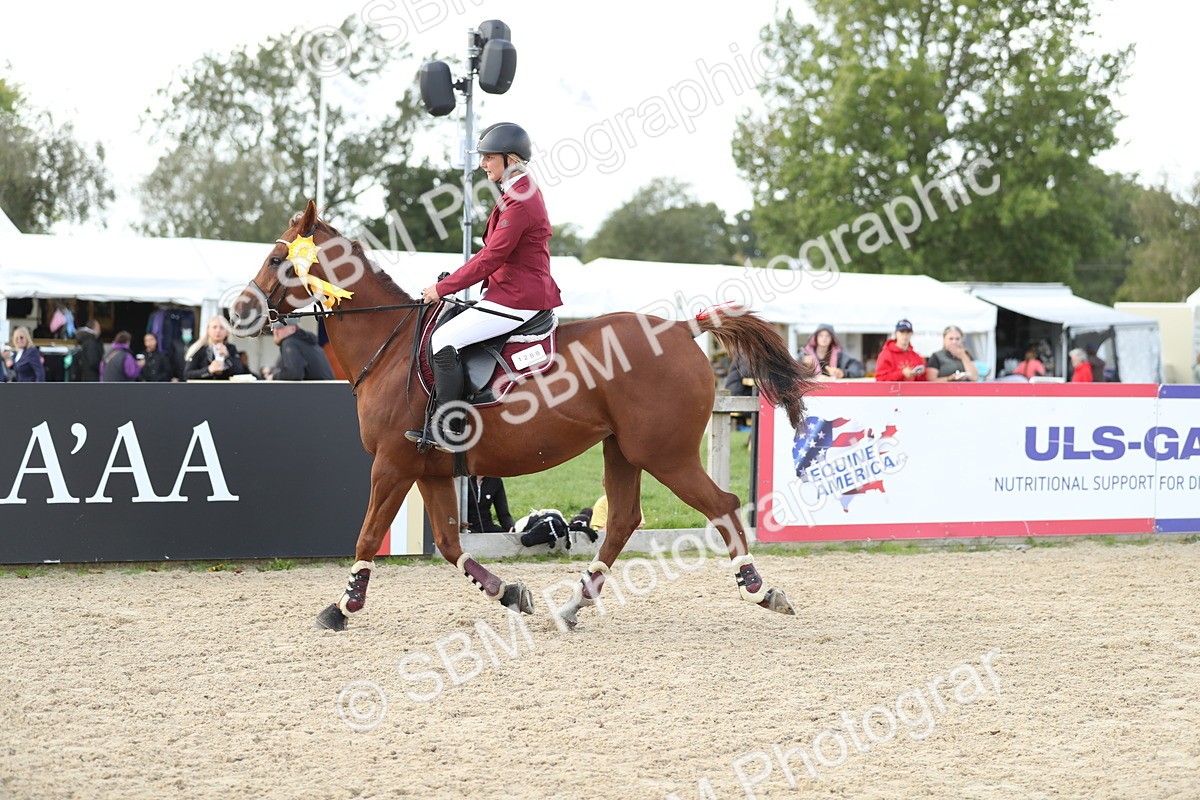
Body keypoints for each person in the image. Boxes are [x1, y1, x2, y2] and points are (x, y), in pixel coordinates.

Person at [407, 122, 562, 451]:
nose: (482, 164)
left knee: (442, 339)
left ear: (511, 158)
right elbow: (490, 254)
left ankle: (449, 427)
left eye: (489, 157)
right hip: (508, 293)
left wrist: (443, 289)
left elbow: (492, 257)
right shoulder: (516, 191)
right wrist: (450, 282)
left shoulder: (521, 200)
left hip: (518, 299)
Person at [184, 315, 248, 381]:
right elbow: (187, 374)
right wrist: (209, 370)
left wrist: (227, 356)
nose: (218, 331)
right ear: (208, 330)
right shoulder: (199, 348)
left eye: (222, 328)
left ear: (227, 332)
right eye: (214, 327)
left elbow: (239, 372)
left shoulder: (231, 348)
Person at [263, 323, 334, 381]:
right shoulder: (307, 343)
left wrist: (273, 377)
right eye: (274, 327)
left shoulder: (290, 343)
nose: (275, 331)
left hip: (316, 392)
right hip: (328, 390)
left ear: (292, 328)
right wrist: (271, 370)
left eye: (279, 327)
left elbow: (294, 374)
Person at [799, 323, 865, 379]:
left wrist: (842, 373)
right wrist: (805, 367)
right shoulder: (804, 355)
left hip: (833, 389)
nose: (824, 338)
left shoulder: (840, 356)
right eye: (821, 335)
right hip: (812, 389)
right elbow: (794, 374)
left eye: (827, 336)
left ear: (832, 339)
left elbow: (859, 370)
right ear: (815, 338)